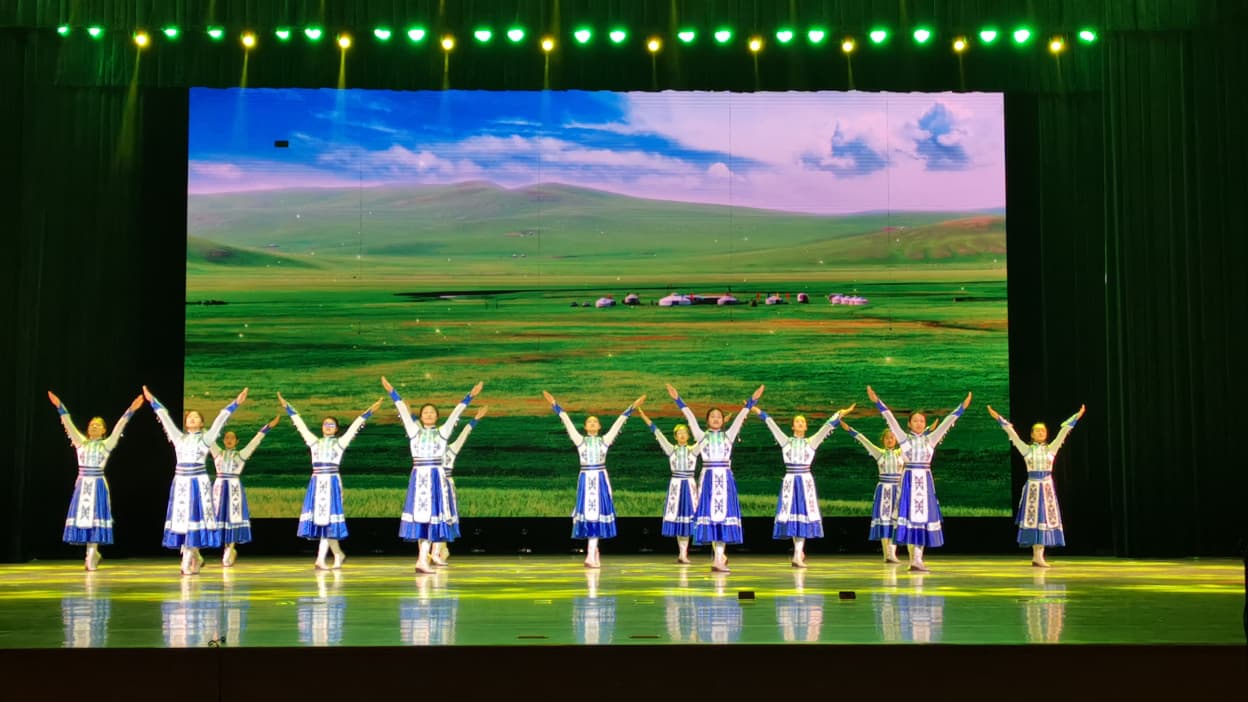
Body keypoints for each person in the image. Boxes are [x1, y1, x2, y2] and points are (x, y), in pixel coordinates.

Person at [382, 377, 483, 574]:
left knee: (431, 519)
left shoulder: (443, 432)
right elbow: (403, 411)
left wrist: (470, 397)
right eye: (425, 412)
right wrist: (392, 393)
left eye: (432, 412)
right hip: (419, 477)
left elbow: (455, 414)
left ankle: (423, 559)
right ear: (420, 417)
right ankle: (422, 559)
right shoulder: (414, 432)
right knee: (422, 518)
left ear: (437, 417)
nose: (428, 414)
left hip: (436, 478)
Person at [867, 385, 972, 572]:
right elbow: (890, 419)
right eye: (915, 420)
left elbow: (947, 422)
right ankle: (913, 559)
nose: (919, 423)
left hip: (925, 483)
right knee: (911, 519)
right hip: (909, 482)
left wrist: (961, 408)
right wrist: (877, 402)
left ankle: (917, 559)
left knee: (923, 519)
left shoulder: (931, 439)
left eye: (921, 421)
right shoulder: (903, 439)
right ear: (909, 424)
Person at [145, 385, 247, 575]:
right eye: (189, 417)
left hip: (198, 482)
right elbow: (165, 418)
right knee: (183, 519)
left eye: (196, 417)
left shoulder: (206, 439)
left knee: (195, 517)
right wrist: (153, 401)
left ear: (201, 423)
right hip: (181, 482)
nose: (192, 418)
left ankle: (188, 558)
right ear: (185, 423)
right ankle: (195, 557)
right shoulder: (179, 438)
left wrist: (235, 404)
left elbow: (220, 420)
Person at [667, 383, 765, 572]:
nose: (716, 418)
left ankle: (719, 557)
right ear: (707, 421)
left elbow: (742, 415)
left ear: (723, 421)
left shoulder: (729, 435)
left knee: (723, 515)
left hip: (725, 478)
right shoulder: (701, 436)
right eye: (712, 416)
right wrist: (677, 399)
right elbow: (689, 417)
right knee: (712, 517)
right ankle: (719, 557)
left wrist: (753, 400)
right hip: (708, 479)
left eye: (719, 416)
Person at [279, 391, 383, 570]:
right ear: (322, 427)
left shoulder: (340, 443)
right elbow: (300, 425)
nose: (328, 426)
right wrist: (287, 407)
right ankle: (338, 554)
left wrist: (369, 412)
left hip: (332, 483)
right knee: (322, 521)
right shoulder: (314, 442)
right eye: (325, 424)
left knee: (327, 520)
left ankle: (320, 559)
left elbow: (355, 426)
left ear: (336, 429)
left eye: (331, 424)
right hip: (316, 482)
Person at [542, 390, 645, 568]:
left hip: (600, 480)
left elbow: (618, 423)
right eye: (589, 421)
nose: (592, 423)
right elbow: (567, 422)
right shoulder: (580, 441)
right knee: (587, 515)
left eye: (595, 421)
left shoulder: (605, 440)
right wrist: (555, 405)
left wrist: (631, 408)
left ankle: (591, 554)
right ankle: (593, 551)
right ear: (585, 427)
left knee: (596, 515)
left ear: (599, 427)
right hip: (585, 479)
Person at [48, 390, 144, 571]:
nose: (93, 427)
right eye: (91, 424)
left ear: (104, 430)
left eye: (98, 425)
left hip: (98, 483)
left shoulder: (107, 444)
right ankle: (90, 552)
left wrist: (131, 410)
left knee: (95, 517)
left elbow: (120, 427)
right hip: (82, 484)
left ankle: (92, 552)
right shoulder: (81, 443)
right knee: (83, 516)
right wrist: (60, 407)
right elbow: (69, 425)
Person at [752, 401, 855, 567]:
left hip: (805, 483)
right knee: (793, 516)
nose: (800, 423)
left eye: (803, 422)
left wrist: (842, 412)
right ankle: (798, 551)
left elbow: (827, 426)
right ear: (792, 426)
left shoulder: (811, 442)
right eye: (797, 421)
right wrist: (757, 410)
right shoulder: (786, 441)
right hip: (790, 482)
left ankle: (798, 554)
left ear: (806, 427)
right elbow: (771, 424)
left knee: (803, 516)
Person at [987, 404, 1086, 566]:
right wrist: (998, 417)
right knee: (1034, 519)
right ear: (1032, 434)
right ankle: (1037, 555)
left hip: (1046, 489)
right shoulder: (1026, 449)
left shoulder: (1051, 449)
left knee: (1044, 519)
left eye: (1043, 431)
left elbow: (1064, 431)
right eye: (1037, 431)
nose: (1040, 433)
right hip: (1033, 488)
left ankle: (1039, 556)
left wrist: (1077, 416)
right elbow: (1011, 432)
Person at [635, 406, 702, 563]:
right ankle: (682, 553)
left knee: (688, 518)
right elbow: (657, 432)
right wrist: (643, 415)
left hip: (689, 486)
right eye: (679, 433)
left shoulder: (693, 450)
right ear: (675, 436)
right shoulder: (671, 449)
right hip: (676, 487)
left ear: (689, 435)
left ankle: (684, 553)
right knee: (678, 518)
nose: (682, 435)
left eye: (685, 433)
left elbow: (706, 438)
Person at [210, 416, 280, 567]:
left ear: (237, 441)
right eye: (227, 437)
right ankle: (226, 548)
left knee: (233, 517)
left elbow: (255, 441)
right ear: (223, 440)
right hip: (219, 489)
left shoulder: (241, 454)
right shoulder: (217, 453)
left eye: (232, 438)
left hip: (234, 489)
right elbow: (207, 436)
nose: (229, 440)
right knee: (220, 517)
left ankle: (230, 548)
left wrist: (268, 427)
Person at [838, 418, 905, 562]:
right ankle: (887, 554)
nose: (889, 440)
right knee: (884, 520)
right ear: (883, 440)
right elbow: (864, 440)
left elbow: (913, 441)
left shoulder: (902, 452)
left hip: (898, 491)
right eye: (887, 438)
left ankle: (892, 553)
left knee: (895, 522)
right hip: (884, 491)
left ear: (896, 440)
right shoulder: (879, 453)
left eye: (892, 437)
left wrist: (928, 430)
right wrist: (849, 429)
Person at [432, 406, 488, 564]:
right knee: (429, 518)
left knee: (444, 518)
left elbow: (464, 434)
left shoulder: (452, 449)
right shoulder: (429, 451)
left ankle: (441, 549)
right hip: (431, 485)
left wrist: (475, 419)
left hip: (445, 486)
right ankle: (430, 552)